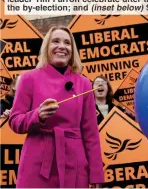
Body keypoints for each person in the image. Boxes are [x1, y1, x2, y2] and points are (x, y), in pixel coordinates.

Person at [9, 26, 104, 188]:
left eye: (67, 43)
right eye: (56, 41)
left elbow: (91, 134)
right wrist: (37, 115)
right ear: (47, 47)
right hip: (37, 161)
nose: (62, 46)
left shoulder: (84, 83)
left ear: (72, 50)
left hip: (74, 163)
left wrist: (96, 175)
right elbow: (15, 121)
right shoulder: (28, 79)